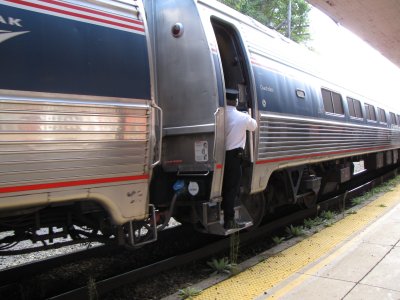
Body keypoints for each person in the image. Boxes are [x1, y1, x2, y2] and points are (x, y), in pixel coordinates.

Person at [222, 88, 257, 229]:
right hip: (234, 157)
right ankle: (229, 220)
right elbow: (254, 126)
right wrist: (246, 115)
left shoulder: (220, 115)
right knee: (232, 188)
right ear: (236, 101)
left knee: (224, 187)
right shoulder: (242, 117)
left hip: (220, 157)